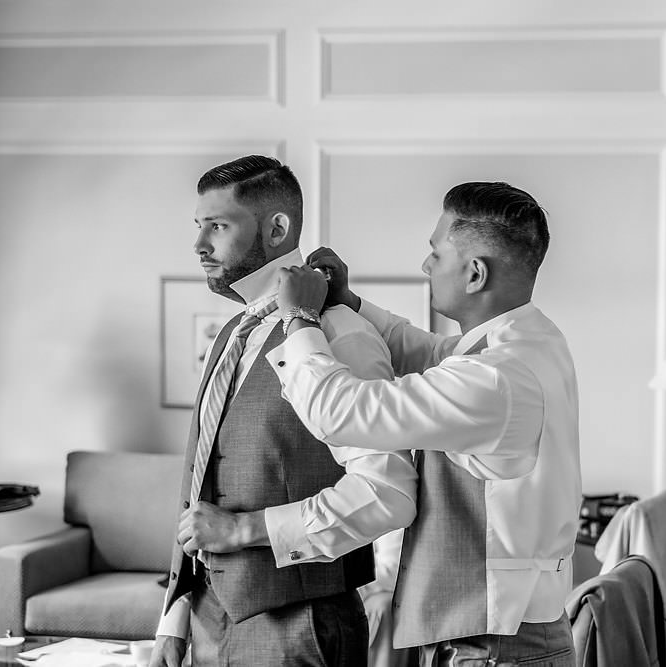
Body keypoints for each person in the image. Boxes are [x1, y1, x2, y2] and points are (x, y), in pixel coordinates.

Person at [266, 181, 582, 666]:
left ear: (475, 273)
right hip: (500, 638)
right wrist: (350, 302)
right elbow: (431, 353)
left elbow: (338, 411)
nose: (425, 266)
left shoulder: (494, 379)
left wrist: (301, 318)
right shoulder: (525, 341)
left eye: (435, 254)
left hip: (496, 649)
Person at [150, 155, 417, 667]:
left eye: (219, 225)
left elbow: (388, 492)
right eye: (198, 225)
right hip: (207, 619)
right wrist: (176, 617)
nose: (199, 244)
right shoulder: (230, 335)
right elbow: (199, 476)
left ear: (277, 228)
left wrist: (245, 530)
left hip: (301, 628)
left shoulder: (339, 332)